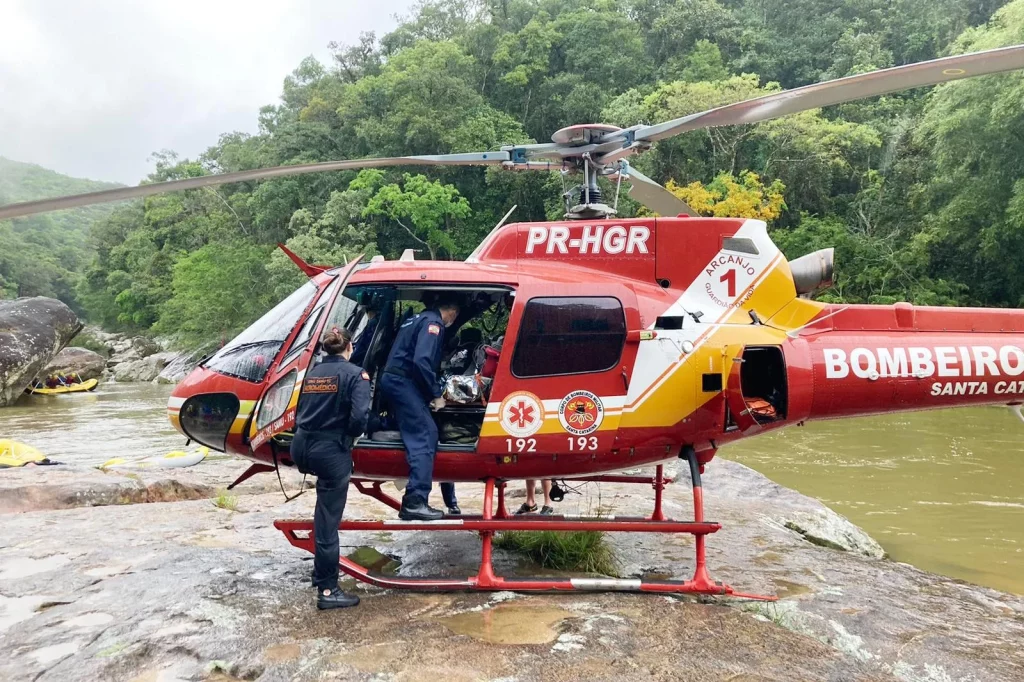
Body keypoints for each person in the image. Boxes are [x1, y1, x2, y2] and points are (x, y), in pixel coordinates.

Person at [291, 329, 370, 610]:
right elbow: (360, 417)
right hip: (329, 451)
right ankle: (327, 590)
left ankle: (319, 574)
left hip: (300, 447)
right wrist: (347, 439)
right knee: (327, 523)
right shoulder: (356, 374)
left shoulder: (311, 373)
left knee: (323, 512)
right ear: (349, 347)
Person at [379, 298, 460, 520]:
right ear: (451, 313)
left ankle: (372, 424)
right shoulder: (434, 324)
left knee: (411, 424)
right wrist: (436, 393)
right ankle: (415, 501)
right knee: (427, 433)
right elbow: (422, 362)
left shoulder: (417, 318)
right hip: (402, 382)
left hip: (395, 380)